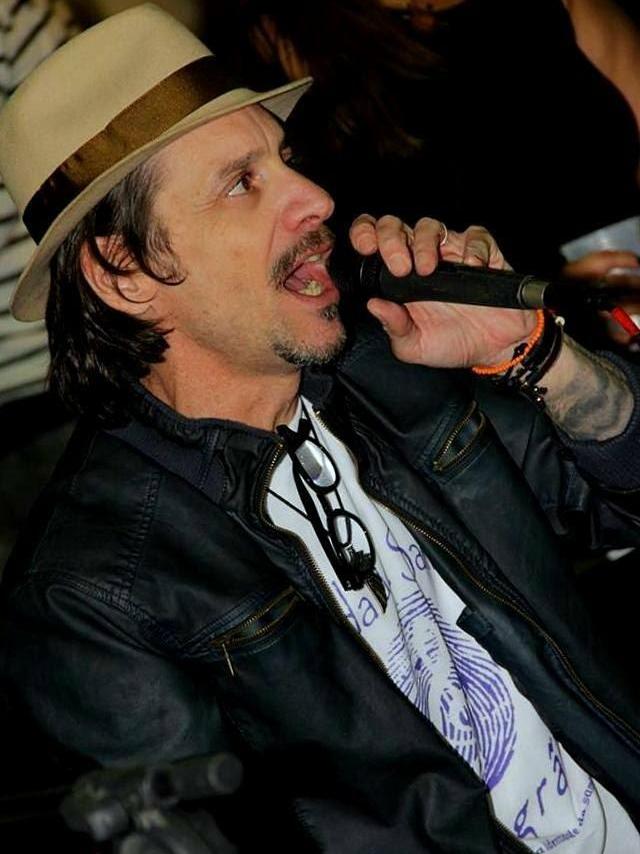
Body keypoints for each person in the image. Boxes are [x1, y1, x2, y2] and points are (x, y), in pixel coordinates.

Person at [1, 5, 640, 851]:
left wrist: (533, 352)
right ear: (124, 269)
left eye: (286, 160)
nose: (317, 199)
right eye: (242, 183)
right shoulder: (92, 594)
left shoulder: (387, 371)